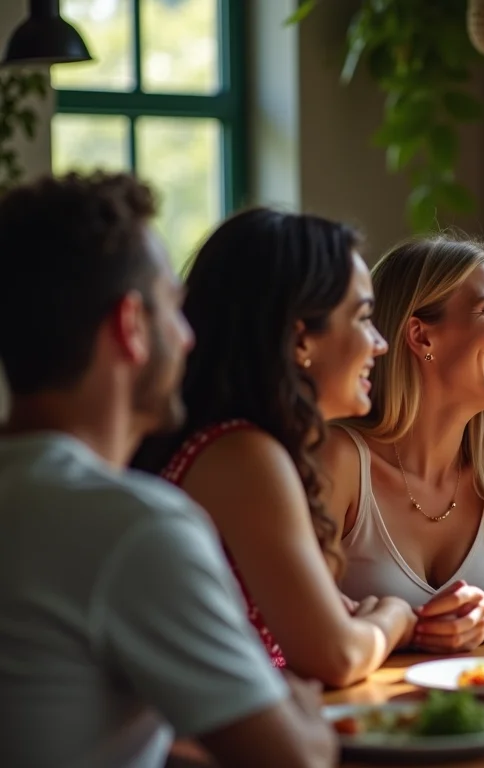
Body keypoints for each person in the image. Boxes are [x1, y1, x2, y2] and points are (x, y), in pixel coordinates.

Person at [0, 173, 334, 767]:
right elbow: (297, 761)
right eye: (174, 308)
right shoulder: (133, 527)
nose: (188, 338)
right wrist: (300, 708)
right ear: (131, 326)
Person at [133, 208, 427, 687]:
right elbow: (337, 656)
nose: (380, 344)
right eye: (363, 318)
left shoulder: (236, 447)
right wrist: (394, 616)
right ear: (300, 339)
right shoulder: (243, 456)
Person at [321, 236, 484, 647]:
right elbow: (300, 619)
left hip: (475, 690)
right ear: (421, 336)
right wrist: (411, 627)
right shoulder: (341, 460)